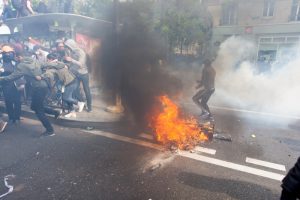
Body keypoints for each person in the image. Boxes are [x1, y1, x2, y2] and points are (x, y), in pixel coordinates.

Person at [0, 48, 60, 136]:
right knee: (33, 106)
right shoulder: (34, 61)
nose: (15, 59)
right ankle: (55, 112)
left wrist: (1, 78)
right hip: (43, 87)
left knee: (38, 110)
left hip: (38, 88)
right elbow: (46, 64)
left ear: (19, 57)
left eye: (16, 57)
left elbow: (11, 77)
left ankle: (50, 130)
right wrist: (61, 65)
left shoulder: (22, 65)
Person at [38, 53, 84, 118]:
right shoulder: (58, 63)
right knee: (67, 98)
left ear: (50, 59)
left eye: (47, 59)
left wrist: (41, 76)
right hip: (70, 81)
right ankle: (72, 112)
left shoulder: (55, 64)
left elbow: (49, 71)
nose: (47, 61)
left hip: (71, 82)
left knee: (66, 98)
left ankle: (79, 103)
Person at [64, 39, 92, 112]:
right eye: (66, 46)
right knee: (75, 90)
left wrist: (71, 60)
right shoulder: (70, 51)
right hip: (76, 73)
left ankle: (89, 107)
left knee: (86, 90)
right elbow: (70, 63)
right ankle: (81, 102)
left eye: (68, 46)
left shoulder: (81, 52)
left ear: (71, 45)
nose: (67, 48)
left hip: (83, 73)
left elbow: (80, 64)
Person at [0, 45, 22, 124]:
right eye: (6, 53)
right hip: (6, 85)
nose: (8, 54)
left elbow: (20, 72)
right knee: (8, 102)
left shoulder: (15, 61)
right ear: (3, 53)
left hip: (16, 84)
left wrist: (22, 83)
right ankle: (11, 117)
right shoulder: (1, 62)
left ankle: (17, 118)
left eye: (9, 52)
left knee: (17, 102)